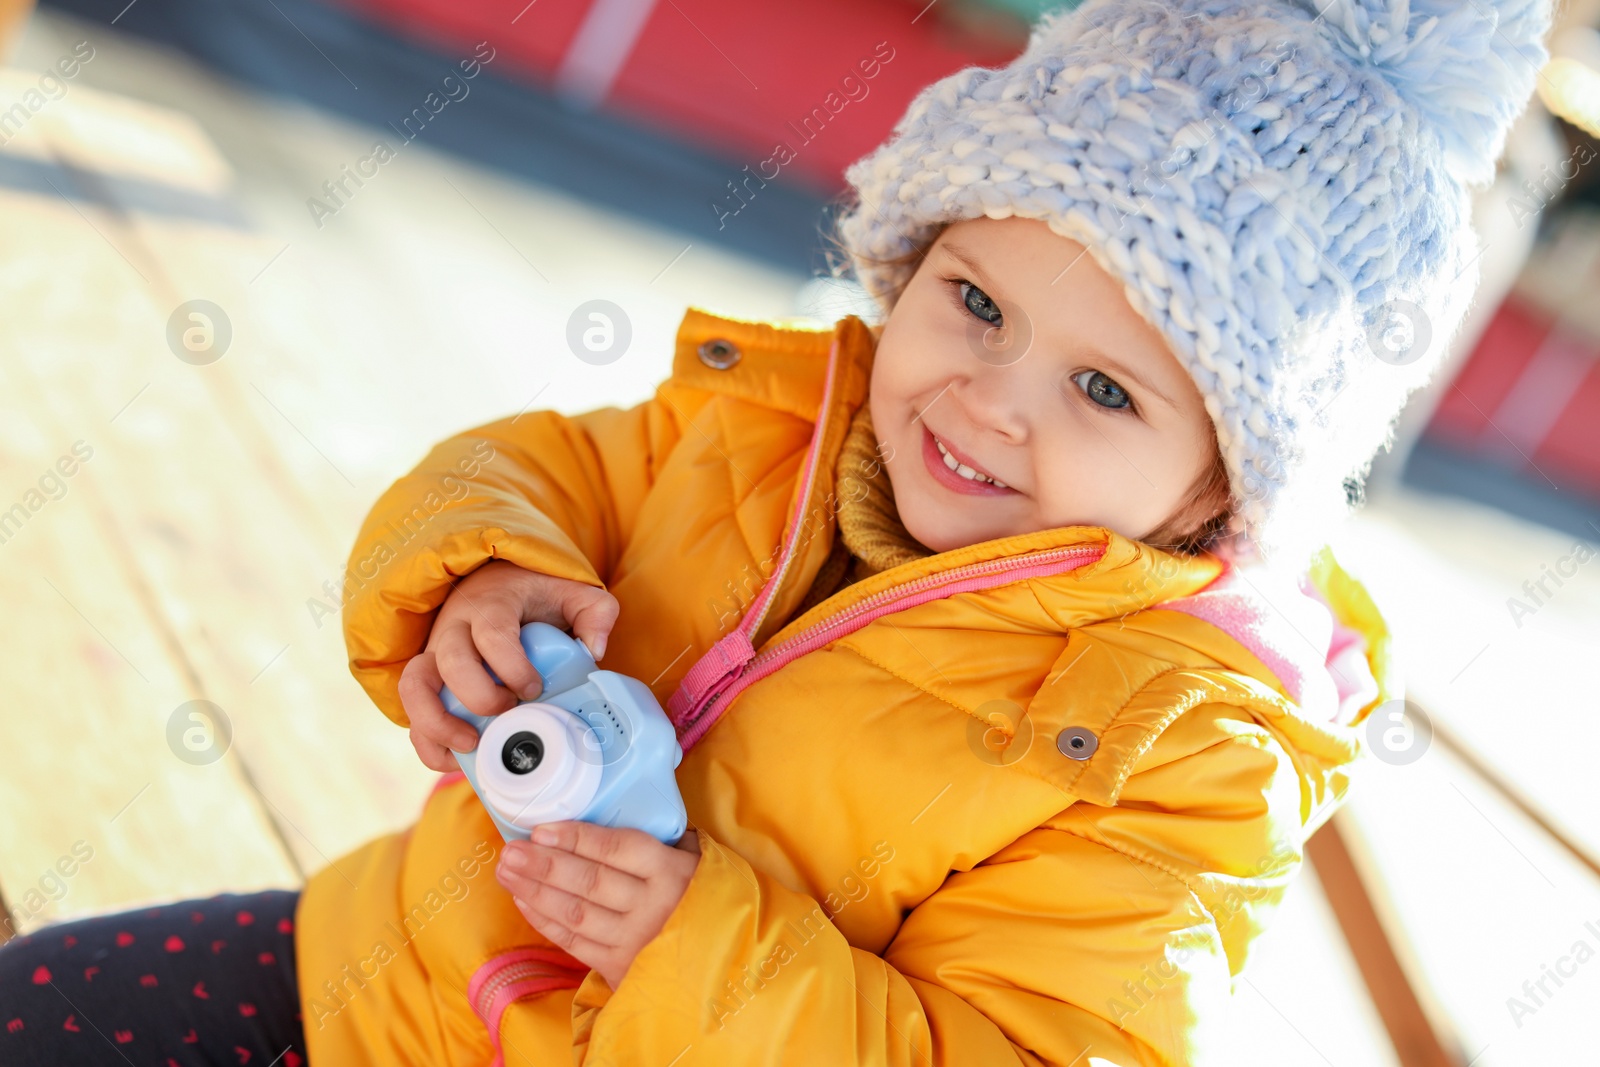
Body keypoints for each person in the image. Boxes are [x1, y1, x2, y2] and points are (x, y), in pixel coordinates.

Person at [0, 0, 1552, 1063]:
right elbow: (538, 472)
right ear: (910, 262)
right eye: (976, 302)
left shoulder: (1182, 753)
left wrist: (693, 943)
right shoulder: (780, 424)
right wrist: (482, 569)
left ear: (1226, 492)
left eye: (1100, 388)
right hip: (380, 973)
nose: (991, 404)